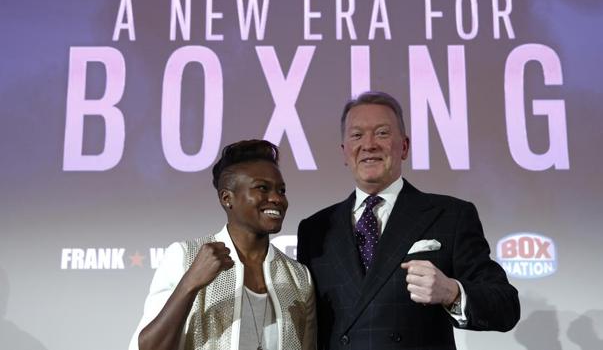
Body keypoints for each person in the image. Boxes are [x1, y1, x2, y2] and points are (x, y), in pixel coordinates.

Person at [297, 91, 520, 350]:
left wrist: (451, 292)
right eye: (357, 135)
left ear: (404, 147)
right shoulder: (315, 229)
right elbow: (306, 324)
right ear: (345, 152)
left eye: (382, 133)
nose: (369, 145)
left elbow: (506, 306)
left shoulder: (450, 215)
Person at [129, 140, 316, 350]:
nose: (276, 198)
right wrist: (190, 284)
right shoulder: (185, 257)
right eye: (262, 188)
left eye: (281, 190)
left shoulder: (299, 277)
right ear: (227, 198)